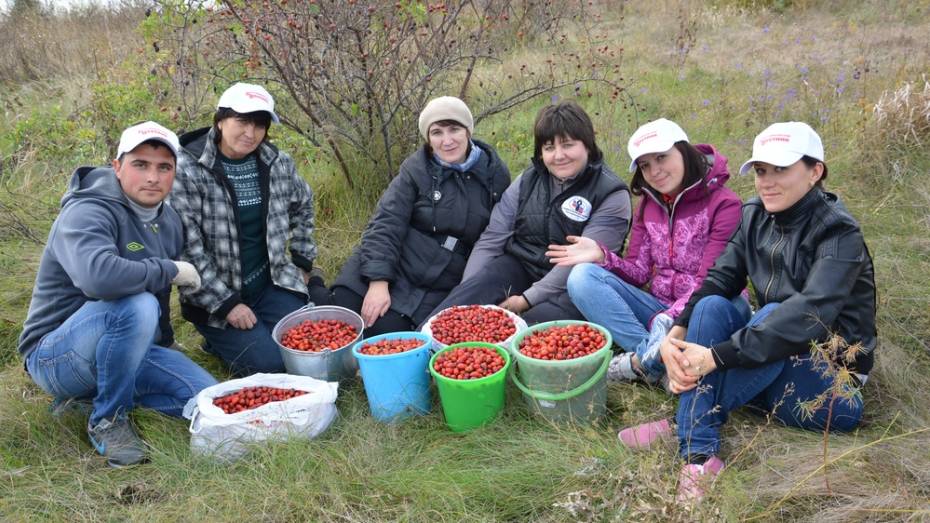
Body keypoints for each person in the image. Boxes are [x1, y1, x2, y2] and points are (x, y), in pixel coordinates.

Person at [616, 122, 877, 503]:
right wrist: (677, 332)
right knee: (712, 305)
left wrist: (716, 356)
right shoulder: (755, 213)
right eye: (760, 171)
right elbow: (720, 277)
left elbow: (807, 315)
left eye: (781, 169)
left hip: (830, 385)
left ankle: (686, 426)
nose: (767, 182)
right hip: (770, 353)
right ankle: (701, 457)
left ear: (815, 171)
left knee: (773, 311)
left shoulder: (839, 234)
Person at [18, 121, 218, 467]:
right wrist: (170, 269)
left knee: (206, 398)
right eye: (140, 165)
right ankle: (107, 419)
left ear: (174, 173)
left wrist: (166, 343)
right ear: (117, 167)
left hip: (123, 346)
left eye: (163, 167)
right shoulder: (86, 210)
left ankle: (88, 399)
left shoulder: (168, 220)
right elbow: (99, 279)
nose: (152, 177)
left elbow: (158, 297)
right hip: (55, 356)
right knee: (134, 305)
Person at [548, 118, 746, 384]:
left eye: (662, 157)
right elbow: (639, 272)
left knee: (717, 305)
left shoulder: (725, 204)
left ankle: (641, 362)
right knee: (582, 276)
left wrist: (671, 317)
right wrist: (602, 256)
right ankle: (661, 364)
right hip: (658, 310)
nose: (654, 171)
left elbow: (712, 280)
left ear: (685, 151)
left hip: (706, 309)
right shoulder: (648, 205)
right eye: (645, 165)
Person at [308, 96, 511, 334]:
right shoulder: (415, 169)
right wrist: (378, 282)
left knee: (385, 333)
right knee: (340, 317)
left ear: (468, 131)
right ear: (428, 138)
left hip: (442, 278)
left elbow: (499, 235)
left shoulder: (494, 174)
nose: (447, 141)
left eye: (454, 129)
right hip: (397, 260)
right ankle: (314, 285)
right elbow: (386, 223)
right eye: (437, 132)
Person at [425, 100, 631, 324]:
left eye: (568, 145)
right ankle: (418, 347)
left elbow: (580, 261)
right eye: (549, 148)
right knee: (463, 303)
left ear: (588, 145)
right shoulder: (528, 179)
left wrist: (526, 300)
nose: (559, 155)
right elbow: (493, 237)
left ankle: (498, 354)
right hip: (520, 265)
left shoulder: (612, 193)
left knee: (525, 328)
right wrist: (469, 290)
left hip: (575, 283)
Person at [170, 83, 317, 376]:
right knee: (272, 365)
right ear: (221, 120)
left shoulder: (276, 162)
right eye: (242, 121)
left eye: (259, 125)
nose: (250, 133)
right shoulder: (186, 169)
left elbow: (303, 205)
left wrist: (302, 261)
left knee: (308, 347)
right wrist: (226, 304)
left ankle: (249, 333)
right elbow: (187, 249)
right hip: (215, 297)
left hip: (269, 283)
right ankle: (219, 340)